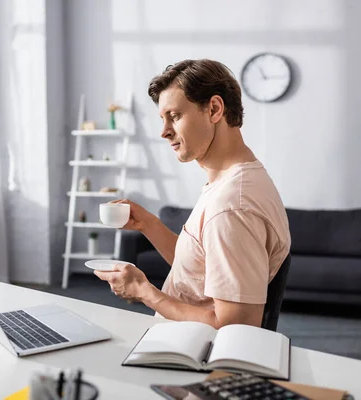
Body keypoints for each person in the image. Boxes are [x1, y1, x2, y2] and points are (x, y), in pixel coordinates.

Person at [94, 59, 291, 329]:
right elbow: (203, 271)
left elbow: (235, 325)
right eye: (162, 119)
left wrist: (144, 292)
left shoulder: (231, 206)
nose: (163, 132)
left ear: (214, 109)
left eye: (174, 116)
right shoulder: (234, 182)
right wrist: (148, 224)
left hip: (192, 356)